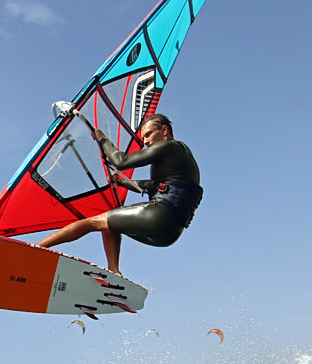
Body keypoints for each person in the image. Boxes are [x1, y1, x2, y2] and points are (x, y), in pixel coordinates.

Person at [36, 113, 202, 276]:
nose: (145, 142)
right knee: (109, 222)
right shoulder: (181, 160)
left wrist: (102, 139)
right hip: (170, 233)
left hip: (159, 215)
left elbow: (121, 161)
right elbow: (153, 186)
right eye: (144, 137)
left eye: (149, 134)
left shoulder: (170, 146)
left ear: (164, 131)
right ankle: (114, 272)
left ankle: (36, 248)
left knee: (91, 223)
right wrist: (122, 182)